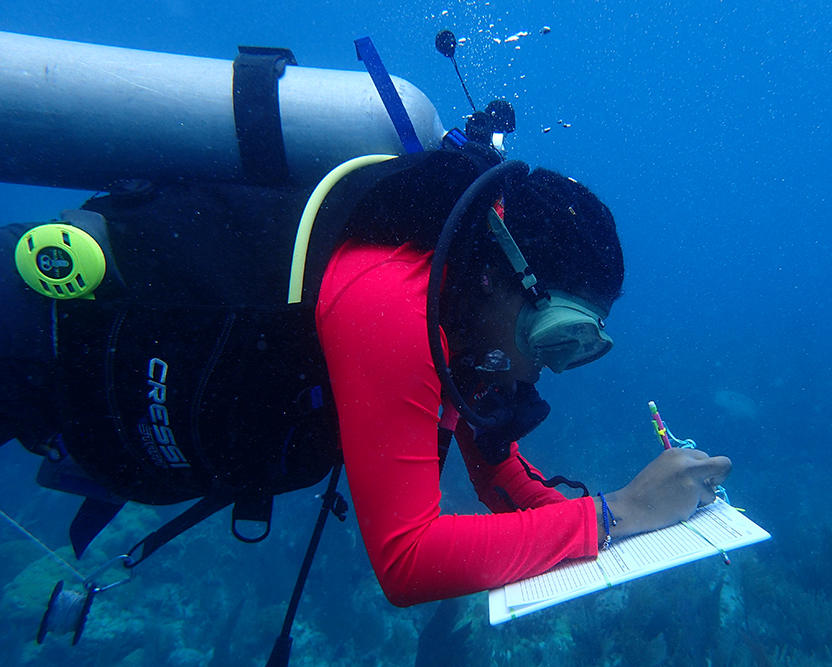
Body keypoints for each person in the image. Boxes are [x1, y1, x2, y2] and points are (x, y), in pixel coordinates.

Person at [0, 140, 731, 609]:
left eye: (579, 347)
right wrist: (619, 514)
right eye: (557, 336)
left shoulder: (464, 305)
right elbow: (408, 559)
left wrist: (625, 513)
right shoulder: (391, 300)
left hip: (69, 401)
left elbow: (496, 471)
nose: (548, 366)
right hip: (25, 340)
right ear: (503, 277)